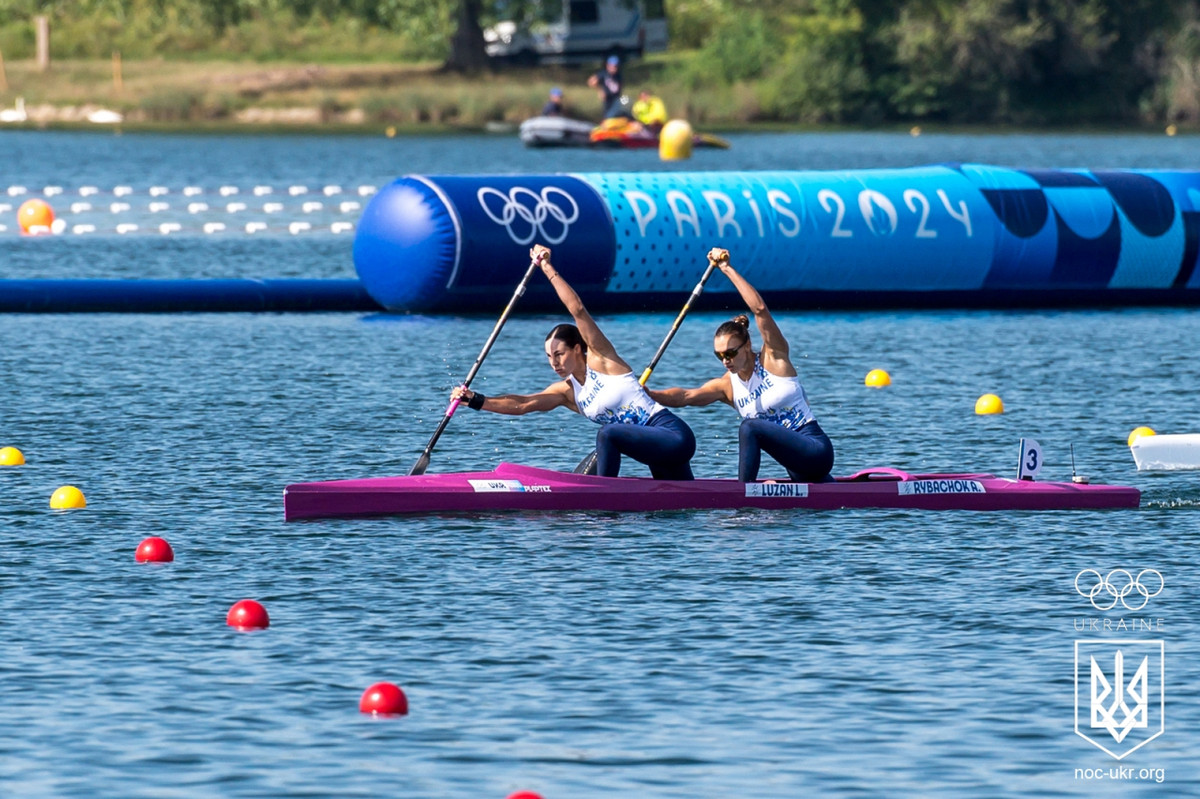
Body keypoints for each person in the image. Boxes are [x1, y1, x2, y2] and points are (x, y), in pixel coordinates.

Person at [452, 244, 696, 480]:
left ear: (578, 348)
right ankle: (583, 497)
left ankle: (602, 505)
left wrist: (546, 267)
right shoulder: (567, 392)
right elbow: (524, 404)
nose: (554, 363)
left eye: (559, 354)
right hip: (653, 451)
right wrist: (476, 400)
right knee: (684, 502)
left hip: (673, 436)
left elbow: (577, 309)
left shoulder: (602, 359)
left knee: (608, 434)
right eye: (549, 357)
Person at [648, 248, 835, 483]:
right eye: (719, 356)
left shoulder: (774, 359)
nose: (726, 360)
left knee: (749, 427)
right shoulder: (728, 386)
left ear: (747, 345)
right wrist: (649, 394)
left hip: (816, 450)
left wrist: (726, 269)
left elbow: (759, 310)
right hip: (796, 468)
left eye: (730, 353)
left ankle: (743, 492)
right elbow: (686, 395)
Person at [587, 55, 623, 119]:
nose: (615, 68)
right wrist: (600, 90)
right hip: (607, 99)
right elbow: (591, 81)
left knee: (626, 104)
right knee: (608, 116)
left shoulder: (618, 75)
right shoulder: (604, 73)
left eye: (616, 66)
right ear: (608, 65)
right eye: (613, 66)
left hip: (616, 99)